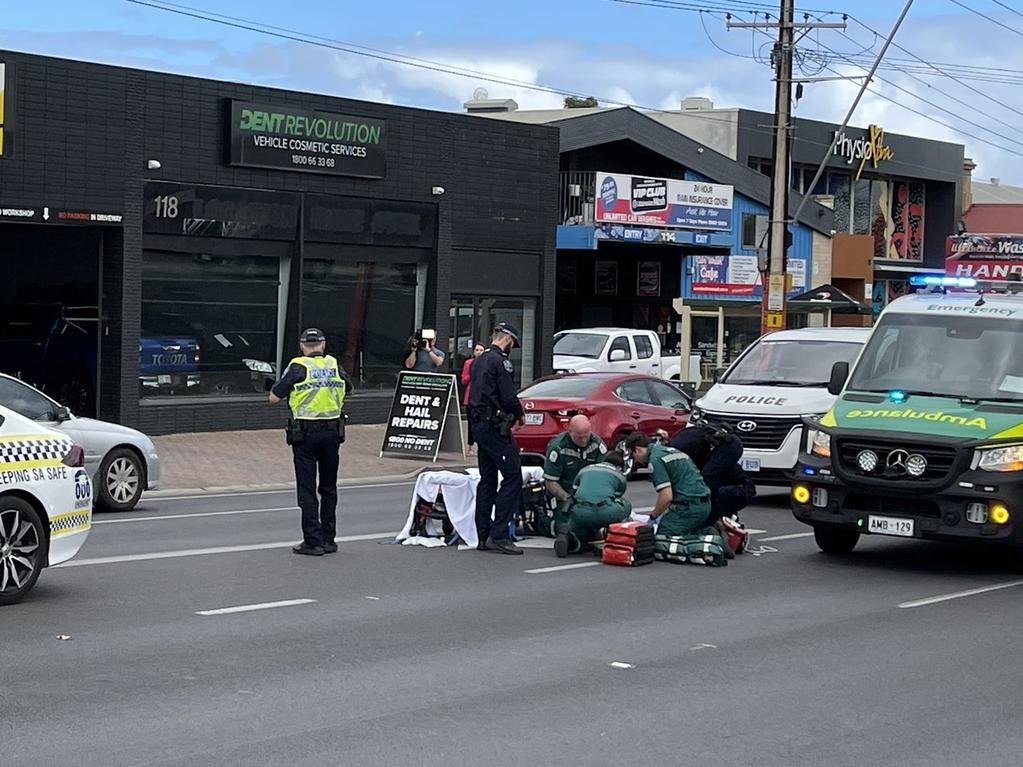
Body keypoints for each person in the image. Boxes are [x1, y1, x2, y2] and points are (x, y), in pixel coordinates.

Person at [269, 328, 347, 556]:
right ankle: (329, 540)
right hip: (332, 434)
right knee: (329, 488)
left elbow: (274, 397)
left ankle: (313, 541)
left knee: (307, 488)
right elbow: (349, 389)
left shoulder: (297, 366)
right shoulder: (334, 364)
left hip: (306, 435)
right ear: (323, 345)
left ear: (303, 346)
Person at [468, 322, 524, 555]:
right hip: (495, 427)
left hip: (480, 427)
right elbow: (508, 395)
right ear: (508, 340)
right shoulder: (501, 362)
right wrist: (519, 413)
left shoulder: (479, 360)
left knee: (487, 480)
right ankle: (499, 534)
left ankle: (482, 535)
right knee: (512, 476)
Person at [662, 424, 756, 525]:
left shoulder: (680, 451)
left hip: (728, 447)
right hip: (721, 447)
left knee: (705, 483)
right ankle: (720, 517)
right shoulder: (677, 448)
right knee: (707, 483)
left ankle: (715, 520)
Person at [625, 432, 711, 537]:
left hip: (689, 508)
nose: (635, 460)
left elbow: (666, 496)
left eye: (633, 455)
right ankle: (705, 532)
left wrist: (653, 517)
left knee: (663, 536)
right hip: (703, 503)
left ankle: (707, 535)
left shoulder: (655, 459)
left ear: (637, 450)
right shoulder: (669, 451)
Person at [555, 451, 632, 558]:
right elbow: (617, 496)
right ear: (619, 466)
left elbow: (575, 492)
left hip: (582, 513)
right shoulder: (619, 475)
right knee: (626, 504)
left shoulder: (584, 470)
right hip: (606, 513)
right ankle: (616, 537)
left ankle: (567, 534)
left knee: (576, 509)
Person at [541, 414, 608, 537]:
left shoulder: (597, 445)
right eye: (579, 437)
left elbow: (604, 474)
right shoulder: (558, 447)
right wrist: (566, 497)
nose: (583, 441)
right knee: (566, 524)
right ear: (569, 431)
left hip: (589, 495)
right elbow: (551, 482)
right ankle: (544, 524)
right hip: (564, 493)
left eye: (586, 437)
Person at [461, 343, 485, 449]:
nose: (479, 352)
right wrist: (472, 374)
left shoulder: (487, 363)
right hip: (470, 396)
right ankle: (470, 445)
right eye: (477, 350)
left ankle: (481, 445)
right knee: (471, 421)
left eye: (481, 350)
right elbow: (463, 380)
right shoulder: (468, 363)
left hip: (482, 397)